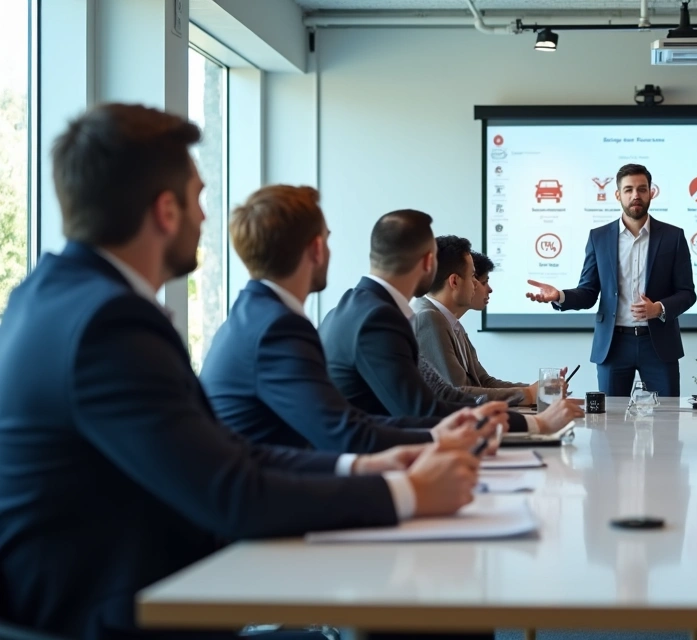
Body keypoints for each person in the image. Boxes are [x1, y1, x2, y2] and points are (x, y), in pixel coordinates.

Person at [0, 103, 485, 639]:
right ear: (166, 211)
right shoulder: (108, 324)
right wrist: (408, 494)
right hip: (117, 615)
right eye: (198, 199)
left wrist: (364, 469)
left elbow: (224, 453)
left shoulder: (47, 298)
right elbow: (231, 492)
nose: (207, 218)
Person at [201, 185, 508, 454]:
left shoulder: (253, 318)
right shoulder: (279, 328)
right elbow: (344, 432)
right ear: (318, 248)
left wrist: (436, 438)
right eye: (328, 239)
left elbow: (346, 422)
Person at [319, 209, 584, 433]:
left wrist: (530, 416)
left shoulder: (352, 308)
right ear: (428, 262)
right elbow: (426, 408)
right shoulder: (379, 318)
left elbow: (442, 394)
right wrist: (534, 424)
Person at [525, 163, 696, 397]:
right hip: (614, 346)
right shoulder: (599, 237)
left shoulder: (673, 237)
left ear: (651, 193)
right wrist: (560, 296)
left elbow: (687, 293)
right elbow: (588, 292)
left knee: (666, 420)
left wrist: (658, 308)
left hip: (658, 345)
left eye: (642, 189)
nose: (635, 195)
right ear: (618, 195)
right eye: (628, 190)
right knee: (609, 424)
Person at [411, 236, 532, 405]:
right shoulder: (428, 317)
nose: (476, 284)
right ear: (454, 281)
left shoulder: (449, 321)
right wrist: (527, 395)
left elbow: (482, 381)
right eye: (473, 276)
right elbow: (456, 392)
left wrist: (534, 390)